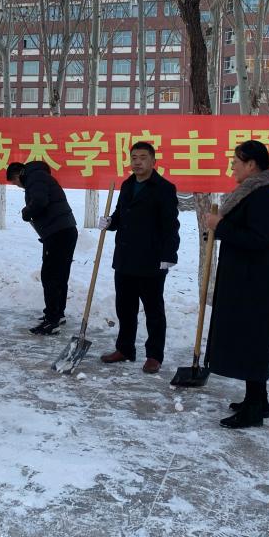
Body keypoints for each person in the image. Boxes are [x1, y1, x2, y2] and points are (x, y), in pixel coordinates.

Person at [201, 140, 269, 430]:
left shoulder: (262, 196)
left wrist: (220, 226)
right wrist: (219, 229)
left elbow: (258, 239)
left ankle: (254, 409)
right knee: (250, 339)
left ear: (251, 164)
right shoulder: (252, 192)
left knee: (252, 341)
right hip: (244, 278)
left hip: (254, 281)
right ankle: (257, 399)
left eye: (236, 161)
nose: (232, 167)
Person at [99, 142, 180, 374]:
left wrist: (169, 254)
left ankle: (154, 355)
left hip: (151, 260)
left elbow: (171, 225)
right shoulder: (127, 185)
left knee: (153, 311)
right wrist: (110, 222)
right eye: (134, 157)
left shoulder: (164, 188)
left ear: (153, 161)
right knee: (125, 308)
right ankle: (125, 349)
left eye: (143, 157)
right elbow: (120, 215)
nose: (137, 162)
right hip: (125, 257)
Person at [6, 161, 78, 335]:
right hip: (64, 231)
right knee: (59, 275)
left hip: (58, 233)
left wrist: (27, 211)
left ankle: (52, 321)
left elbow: (39, 201)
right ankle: (57, 314)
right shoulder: (39, 176)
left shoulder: (35, 177)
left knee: (50, 276)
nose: (17, 186)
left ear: (18, 175)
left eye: (15, 182)